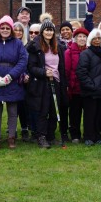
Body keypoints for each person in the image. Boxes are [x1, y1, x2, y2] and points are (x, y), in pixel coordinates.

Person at [0, 15, 28, 149]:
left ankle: (11, 138)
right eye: (2, 27)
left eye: (7, 27)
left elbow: (22, 61)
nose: (5, 30)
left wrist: (10, 76)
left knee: (12, 111)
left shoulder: (17, 43)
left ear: (11, 29)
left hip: (12, 81)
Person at [26, 20, 65, 149]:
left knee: (55, 111)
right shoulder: (35, 47)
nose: (49, 32)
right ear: (42, 32)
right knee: (43, 111)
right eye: (46, 30)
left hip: (56, 82)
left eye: (51, 30)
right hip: (42, 84)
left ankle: (50, 135)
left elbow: (61, 66)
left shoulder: (57, 46)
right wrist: (44, 72)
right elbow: (31, 67)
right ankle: (41, 136)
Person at [77, 28, 101, 146]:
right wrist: (92, 86)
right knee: (89, 115)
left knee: (98, 115)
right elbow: (81, 72)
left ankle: (97, 136)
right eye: (95, 38)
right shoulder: (85, 53)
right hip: (90, 91)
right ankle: (88, 137)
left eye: (99, 38)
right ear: (90, 40)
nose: (97, 40)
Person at [64, 27, 88, 143]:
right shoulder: (69, 52)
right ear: (75, 38)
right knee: (74, 113)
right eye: (79, 36)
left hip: (87, 88)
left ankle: (87, 134)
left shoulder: (89, 51)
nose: (82, 39)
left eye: (84, 37)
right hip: (74, 88)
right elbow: (67, 70)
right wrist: (68, 85)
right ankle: (75, 135)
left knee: (87, 113)